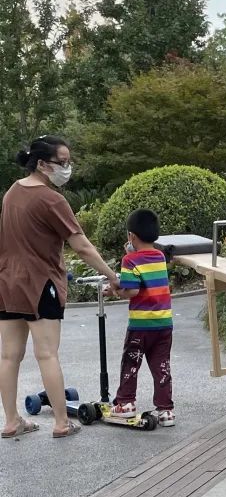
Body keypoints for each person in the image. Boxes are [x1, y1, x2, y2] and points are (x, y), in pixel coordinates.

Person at [0, 136, 120, 439]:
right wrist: (112, 275)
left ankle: (12, 421)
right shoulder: (51, 199)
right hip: (40, 284)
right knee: (47, 354)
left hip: (7, 282)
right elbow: (81, 246)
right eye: (62, 162)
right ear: (42, 164)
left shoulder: (12, 192)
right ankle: (61, 423)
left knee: (9, 356)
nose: (67, 168)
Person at [108, 209, 174, 426]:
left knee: (131, 363)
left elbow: (132, 290)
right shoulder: (160, 257)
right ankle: (166, 411)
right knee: (161, 366)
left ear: (131, 236)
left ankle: (126, 403)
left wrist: (114, 291)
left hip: (140, 325)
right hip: (164, 324)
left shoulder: (130, 260)